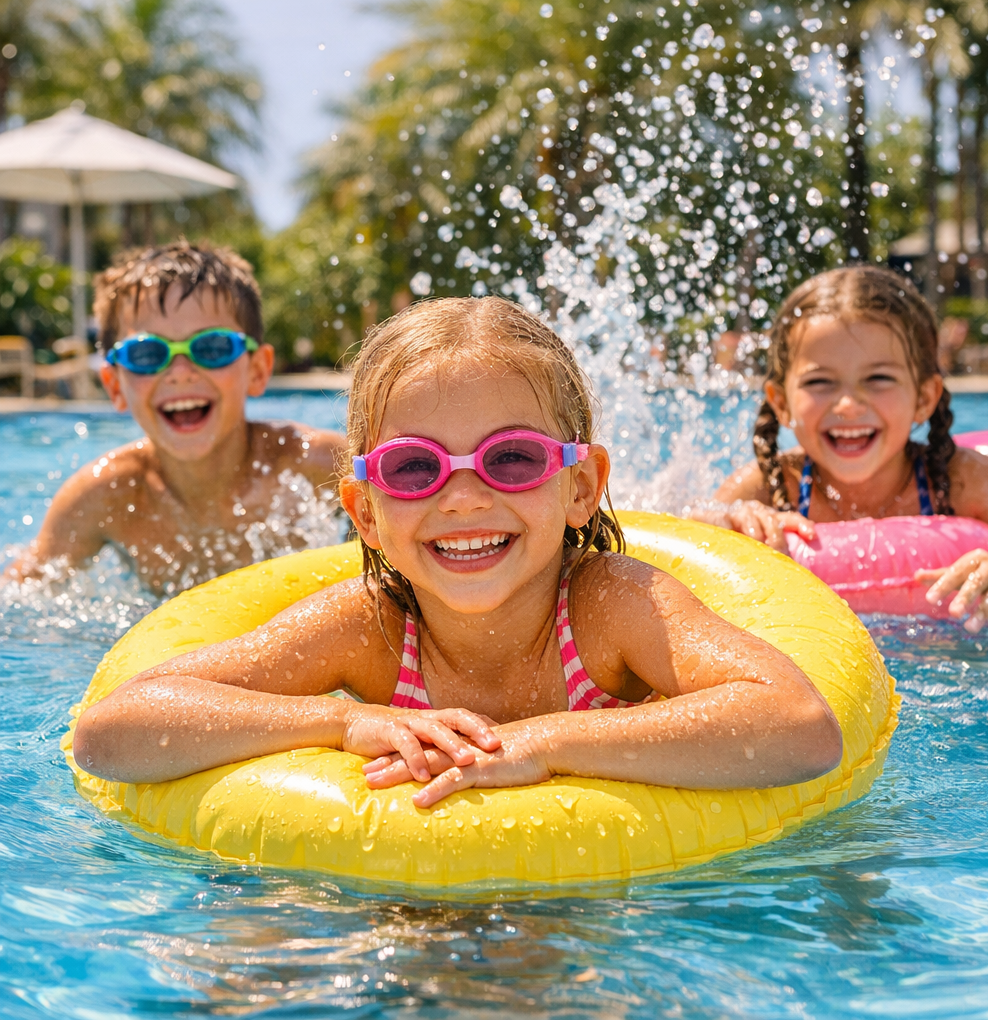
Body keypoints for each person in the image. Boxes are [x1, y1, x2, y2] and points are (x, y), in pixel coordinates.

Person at [72, 296, 841, 808]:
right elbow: (112, 729)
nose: (464, 499)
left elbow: (799, 724)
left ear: (581, 486)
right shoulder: (367, 628)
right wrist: (339, 725)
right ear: (365, 513)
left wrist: (545, 743)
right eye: (415, 468)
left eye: (512, 459)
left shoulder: (612, 607)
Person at [5, 240, 345, 595]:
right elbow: (20, 595)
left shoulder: (316, 466)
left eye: (211, 348)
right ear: (114, 385)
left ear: (258, 370)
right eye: (147, 353)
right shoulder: (104, 497)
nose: (180, 372)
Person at [711, 265, 988, 633]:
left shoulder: (963, 480)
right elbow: (687, 549)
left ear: (924, 398)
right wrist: (735, 519)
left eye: (878, 379)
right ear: (781, 403)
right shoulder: (770, 486)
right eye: (820, 381)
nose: (848, 405)